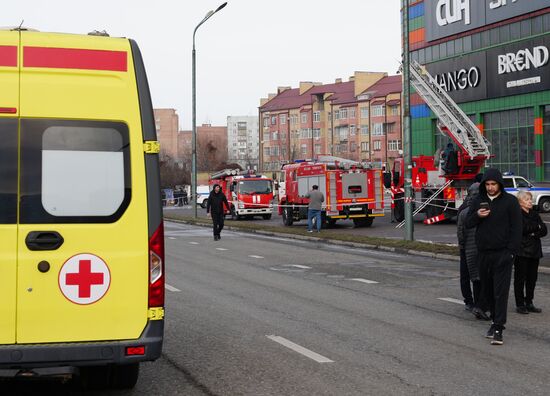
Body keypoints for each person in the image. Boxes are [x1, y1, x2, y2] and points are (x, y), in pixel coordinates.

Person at [466, 168, 522, 345]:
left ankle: (498, 327)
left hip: (503, 254)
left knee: (501, 292)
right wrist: (477, 215)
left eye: (493, 184)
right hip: (483, 253)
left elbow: (517, 228)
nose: (490, 188)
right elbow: (468, 223)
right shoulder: (478, 200)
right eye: (488, 184)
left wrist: (511, 251)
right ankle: (493, 320)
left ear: (499, 184)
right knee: (487, 291)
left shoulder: (510, 202)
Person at [457, 182, 489, 320]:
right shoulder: (473, 209)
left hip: (468, 248)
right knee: (478, 277)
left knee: (472, 277)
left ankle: (473, 303)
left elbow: (460, 232)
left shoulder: (464, 209)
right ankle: (477, 304)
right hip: (476, 247)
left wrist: (462, 246)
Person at [514, 191, 547, 314]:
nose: (530, 201)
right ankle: (520, 304)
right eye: (527, 199)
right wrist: (536, 228)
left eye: (530, 199)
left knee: (532, 278)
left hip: (535, 251)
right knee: (520, 278)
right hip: (521, 251)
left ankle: (529, 302)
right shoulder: (517, 214)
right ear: (520, 202)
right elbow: (522, 229)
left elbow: (544, 230)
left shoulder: (534, 214)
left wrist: (534, 230)